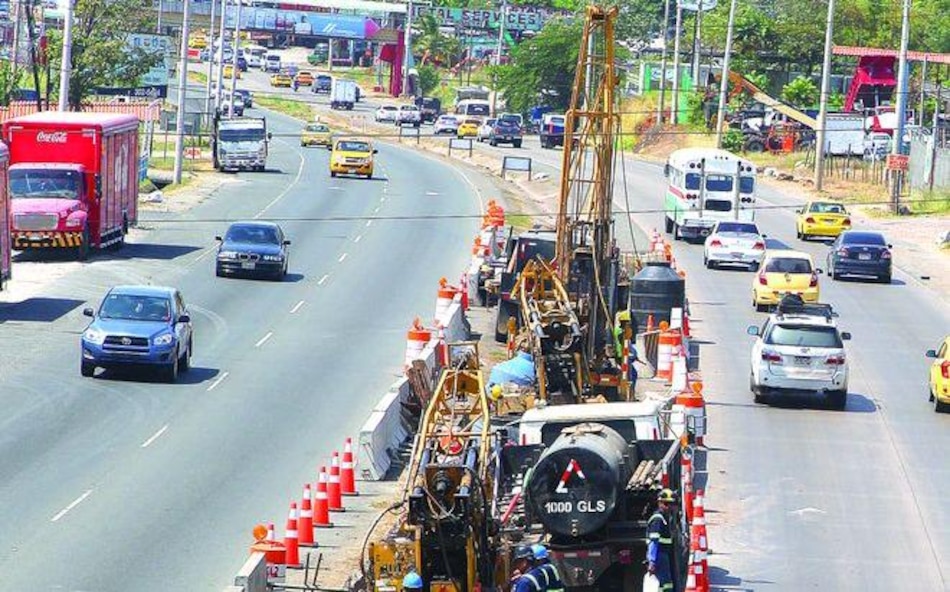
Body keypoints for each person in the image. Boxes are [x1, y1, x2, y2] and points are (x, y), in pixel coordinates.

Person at [646, 488, 676, 592]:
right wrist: (652, 561)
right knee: (664, 584)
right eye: (666, 504)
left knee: (666, 583)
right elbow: (653, 542)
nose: (669, 507)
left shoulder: (664, 518)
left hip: (663, 554)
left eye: (671, 504)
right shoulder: (658, 519)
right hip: (659, 555)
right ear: (659, 503)